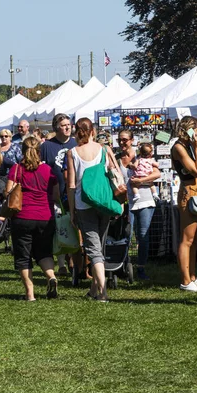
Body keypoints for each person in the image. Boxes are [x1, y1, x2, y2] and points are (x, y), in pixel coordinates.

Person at [67, 118, 121, 302]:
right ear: (93, 131)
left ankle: (102, 293)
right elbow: (115, 173)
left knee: (94, 249)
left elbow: (72, 185)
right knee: (99, 247)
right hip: (104, 202)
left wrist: (72, 211)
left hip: (83, 203)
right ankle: (94, 291)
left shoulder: (73, 152)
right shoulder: (103, 149)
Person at [6, 137, 59, 301]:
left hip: (22, 216)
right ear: (39, 151)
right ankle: (51, 276)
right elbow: (56, 195)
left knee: (23, 256)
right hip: (45, 216)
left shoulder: (16, 169)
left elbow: (8, 192)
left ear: (22, 150)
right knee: (44, 252)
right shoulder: (48, 170)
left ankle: (30, 294)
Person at [171, 117, 197, 293]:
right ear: (188, 130)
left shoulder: (187, 146)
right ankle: (185, 281)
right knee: (186, 239)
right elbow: (195, 171)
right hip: (189, 194)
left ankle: (193, 277)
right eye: (196, 130)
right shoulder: (179, 147)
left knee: (194, 240)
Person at [117, 130, 160, 280]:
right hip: (125, 202)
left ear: (131, 140)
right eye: (119, 140)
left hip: (145, 199)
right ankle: (124, 267)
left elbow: (156, 174)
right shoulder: (116, 159)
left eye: (125, 140)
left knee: (143, 235)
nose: (122, 143)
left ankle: (141, 268)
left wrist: (140, 181)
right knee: (126, 236)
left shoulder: (142, 154)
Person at [40, 113, 78, 277]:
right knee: (59, 228)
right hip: (54, 193)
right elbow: (42, 168)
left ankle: (73, 259)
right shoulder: (47, 146)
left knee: (73, 226)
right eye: (63, 125)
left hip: (73, 193)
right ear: (56, 128)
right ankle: (61, 264)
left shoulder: (76, 144)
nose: (67, 127)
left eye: (69, 124)